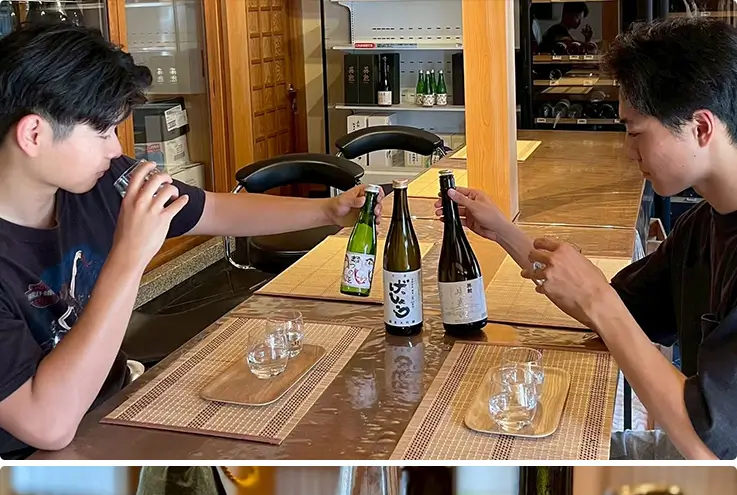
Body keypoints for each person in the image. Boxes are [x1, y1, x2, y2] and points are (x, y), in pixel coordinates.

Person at [0, 23, 383, 459]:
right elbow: (47, 427)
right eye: (103, 132)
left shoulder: (100, 183)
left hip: (116, 399)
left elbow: (215, 211)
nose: (115, 149)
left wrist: (326, 212)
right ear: (34, 134)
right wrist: (129, 257)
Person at [437, 16, 737, 461]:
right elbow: (624, 311)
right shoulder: (704, 222)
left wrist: (598, 297)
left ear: (701, 128)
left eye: (635, 131)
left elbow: (707, 443)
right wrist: (503, 231)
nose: (627, 149)